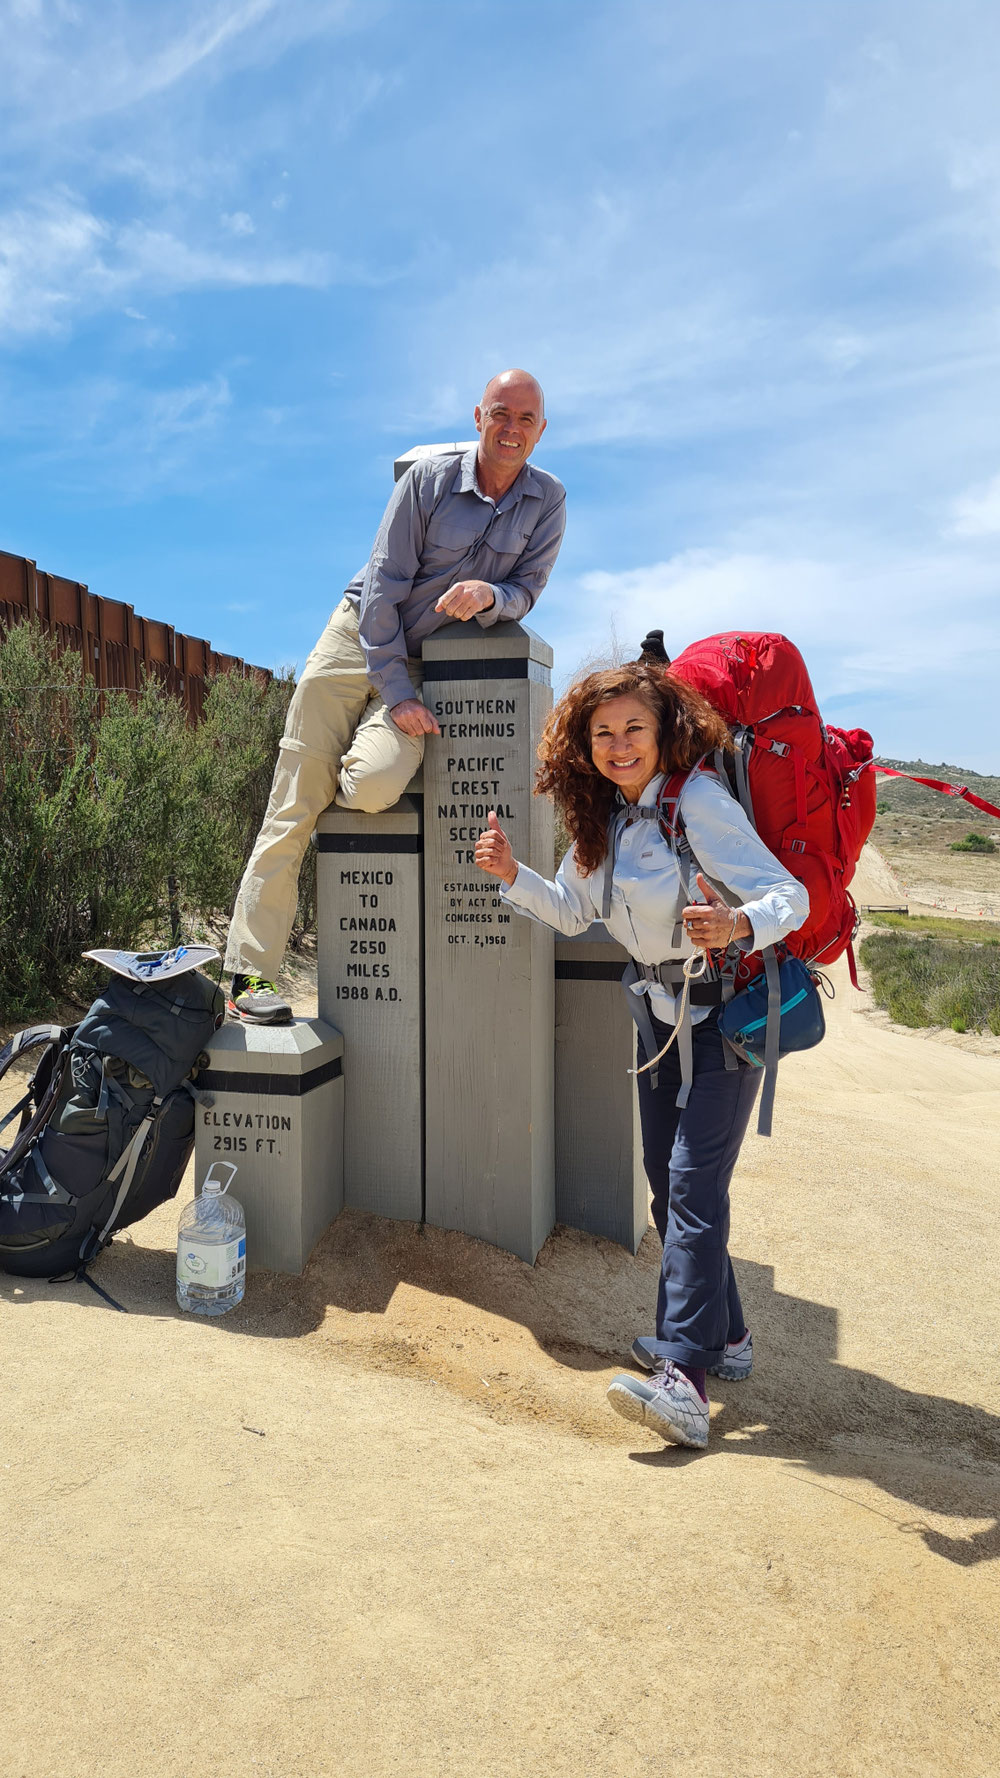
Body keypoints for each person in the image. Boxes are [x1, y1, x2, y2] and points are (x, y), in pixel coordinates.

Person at [473, 660, 809, 1450]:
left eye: (633, 729)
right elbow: (569, 910)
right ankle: (727, 1339)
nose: (619, 745)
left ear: (665, 733)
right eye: (603, 733)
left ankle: (682, 1382)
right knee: (669, 1188)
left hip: (723, 1017)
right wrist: (511, 872)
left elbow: (788, 895)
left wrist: (738, 926)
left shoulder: (697, 801)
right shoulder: (602, 820)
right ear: (583, 746)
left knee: (691, 1188)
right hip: (658, 1024)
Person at [225, 369, 565, 1023]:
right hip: (356, 639)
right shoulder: (429, 482)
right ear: (478, 417)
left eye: (526, 419)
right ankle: (249, 977)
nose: (512, 429)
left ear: (541, 429)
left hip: (420, 662)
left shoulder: (547, 500)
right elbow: (383, 588)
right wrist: (397, 690)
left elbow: (528, 588)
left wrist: (492, 596)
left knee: (373, 786)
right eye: (501, 414)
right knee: (291, 806)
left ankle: (339, 773)